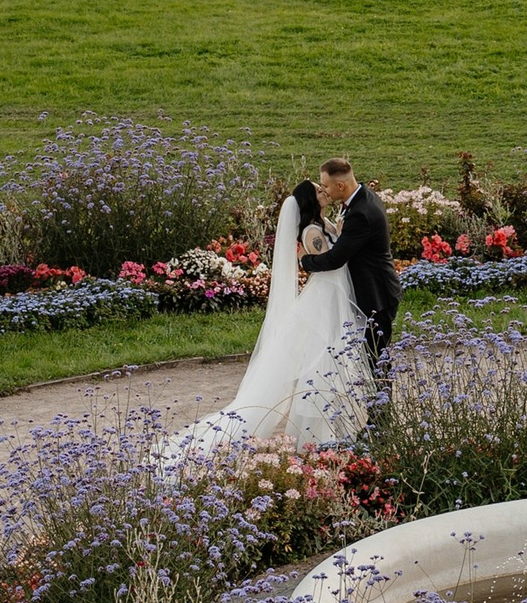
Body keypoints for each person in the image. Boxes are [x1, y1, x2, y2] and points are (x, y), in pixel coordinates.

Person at [155, 162, 377, 463]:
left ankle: (330, 429)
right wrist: (308, 260)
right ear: (310, 203)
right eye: (318, 190)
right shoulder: (312, 230)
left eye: (323, 186)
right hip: (325, 299)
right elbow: (329, 260)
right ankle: (318, 434)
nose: (323, 191)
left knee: (328, 357)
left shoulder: (326, 223)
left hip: (333, 298)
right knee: (320, 359)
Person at [298, 159, 400, 372]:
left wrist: (304, 261)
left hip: (376, 295)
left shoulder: (361, 213)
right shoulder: (363, 198)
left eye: (325, 186)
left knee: (376, 359)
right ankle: (378, 403)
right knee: (370, 357)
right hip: (372, 290)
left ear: (340, 186)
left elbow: (335, 259)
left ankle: (381, 405)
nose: (324, 191)